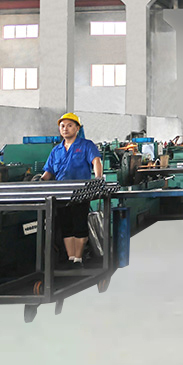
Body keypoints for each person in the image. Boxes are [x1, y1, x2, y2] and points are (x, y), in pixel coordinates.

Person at [42, 112, 103, 268]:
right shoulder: (56, 150)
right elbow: (49, 172)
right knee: (66, 226)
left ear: (77, 128)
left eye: (69, 125)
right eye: (62, 126)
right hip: (61, 194)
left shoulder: (86, 145)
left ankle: (78, 258)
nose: (65, 129)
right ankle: (71, 258)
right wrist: (39, 182)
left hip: (80, 193)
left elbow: (96, 161)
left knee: (79, 225)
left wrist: (98, 178)